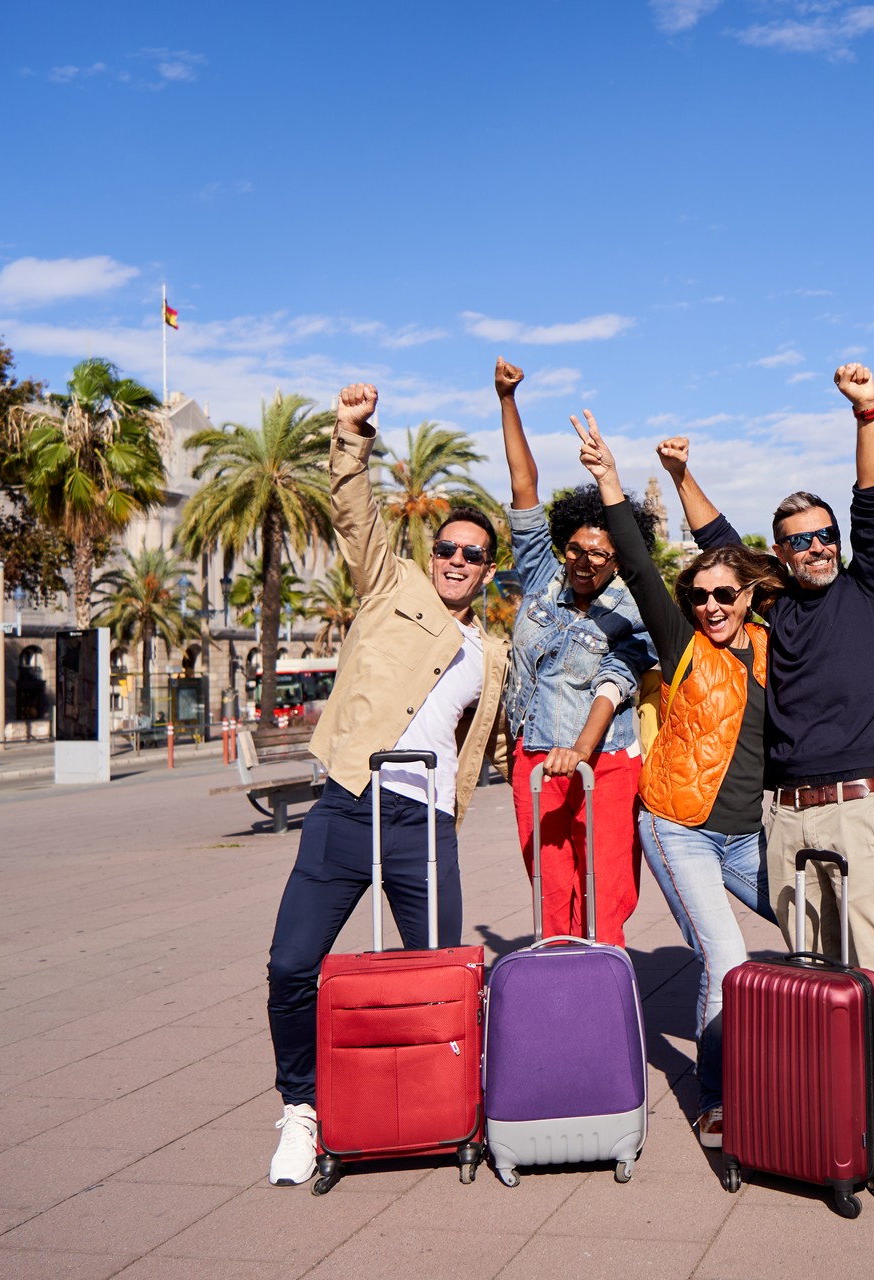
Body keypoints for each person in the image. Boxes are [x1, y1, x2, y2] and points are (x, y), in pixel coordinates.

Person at [663, 363, 874, 1172]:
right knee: (812, 975)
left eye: (823, 535)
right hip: (787, 815)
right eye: (799, 540)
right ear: (783, 552)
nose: (815, 549)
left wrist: (865, 410)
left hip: (861, 806)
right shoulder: (770, 606)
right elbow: (716, 545)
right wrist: (680, 474)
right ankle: (824, 1122)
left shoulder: (871, 586)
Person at [265, 381, 510, 1187]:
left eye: (473, 555)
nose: (456, 562)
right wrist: (349, 434)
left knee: (442, 974)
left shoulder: (492, 655)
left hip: (424, 826)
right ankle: (303, 1109)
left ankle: (447, 1109)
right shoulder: (388, 582)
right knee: (293, 965)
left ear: (486, 572)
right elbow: (354, 509)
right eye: (447, 549)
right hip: (346, 805)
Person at [572, 411, 780, 1149]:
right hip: (679, 826)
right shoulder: (683, 642)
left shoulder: (771, 646)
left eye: (726, 595)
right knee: (724, 957)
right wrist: (611, 482)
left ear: (749, 597)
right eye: (701, 598)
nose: (712, 607)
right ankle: (717, 1099)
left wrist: (686, 476)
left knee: (821, 922)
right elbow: (634, 563)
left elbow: (733, 549)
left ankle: (815, 1055)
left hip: (751, 837)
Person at [496, 359, 655, 947]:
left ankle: (603, 998)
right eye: (577, 548)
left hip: (605, 761)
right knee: (549, 886)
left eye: (601, 553)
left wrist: (581, 751)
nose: (586, 561)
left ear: (618, 558)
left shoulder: (632, 606)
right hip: (535, 757)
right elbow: (524, 490)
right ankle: (556, 992)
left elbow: (620, 676)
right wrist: (507, 400)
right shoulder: (540, 575)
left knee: (605, 889)